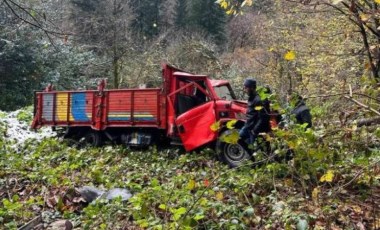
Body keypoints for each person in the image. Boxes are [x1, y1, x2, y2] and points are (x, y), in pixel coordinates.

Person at [239, 78, 271, 147]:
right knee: (239, 139)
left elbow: (263, 118)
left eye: (246, 88)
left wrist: (254, 130)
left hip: (254, 129)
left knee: (254, 149)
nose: (245, 90)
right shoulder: (251, 98)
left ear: (252, 88)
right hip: (248, 126)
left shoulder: (258, 100)